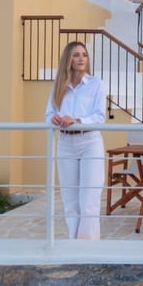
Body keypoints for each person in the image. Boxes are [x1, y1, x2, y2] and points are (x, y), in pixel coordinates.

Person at [45, 41, 106, 239]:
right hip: (65, 143)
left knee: (89, 199)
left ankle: (87, 246)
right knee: (70, 200)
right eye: (76, 55)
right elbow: (48, 114)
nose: (81, 59)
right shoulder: (58, 86)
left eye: (84, 55)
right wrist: (54, 119)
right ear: (68, 59)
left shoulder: (96, 84)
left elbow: (99, 117)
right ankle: (74, 243)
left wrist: (77, 120)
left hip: (90, 142)